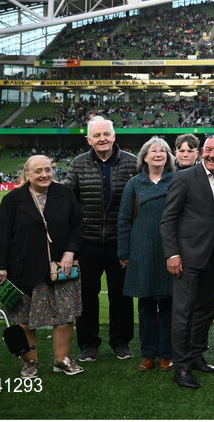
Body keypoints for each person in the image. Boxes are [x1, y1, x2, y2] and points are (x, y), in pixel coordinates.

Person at [0, 155, 84, 377]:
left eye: (48, 170)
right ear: (27, 174)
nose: (44, 175)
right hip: (22, 268)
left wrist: (71, 251)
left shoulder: (65, 193)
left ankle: (62, 360)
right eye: (38, 171)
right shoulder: (12, 199)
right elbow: (2, 234)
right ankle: (29, 362)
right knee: (23, 318)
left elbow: (77, 225)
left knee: (64, 315)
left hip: (61, 267)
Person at [160, 135, 214, 389]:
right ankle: (180, 368)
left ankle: (195, 357)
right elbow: (168, 218)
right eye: (209, 150)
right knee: (183, 313)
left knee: (205, 311)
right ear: (202, 151)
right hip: (187, 256)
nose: (213, 155)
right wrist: (172, 254)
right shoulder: (184, 177)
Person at [64, 116, 138, 362]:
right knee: (86, 296)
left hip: (120, 243)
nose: (102, 139)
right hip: (88, 242)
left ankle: (121, 343)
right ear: (88, 139)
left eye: (106, 134)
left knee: (122, 295)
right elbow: (68, 204)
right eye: (96, 135)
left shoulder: (132, 163)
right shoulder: (78, 164)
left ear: (114, 136)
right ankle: (88, 344)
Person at [117, 137, 176, 372]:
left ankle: (167, 354)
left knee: (170, 304)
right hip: (141, 251)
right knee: (146, 305)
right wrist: (124, 252)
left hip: (170, 251)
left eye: (163, 151)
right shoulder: (134, 183)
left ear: (168, 157)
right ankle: (148, 353)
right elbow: (123, 220)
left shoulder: (177, 180)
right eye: (153, 151)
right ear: (144, 157)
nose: (158, 154)